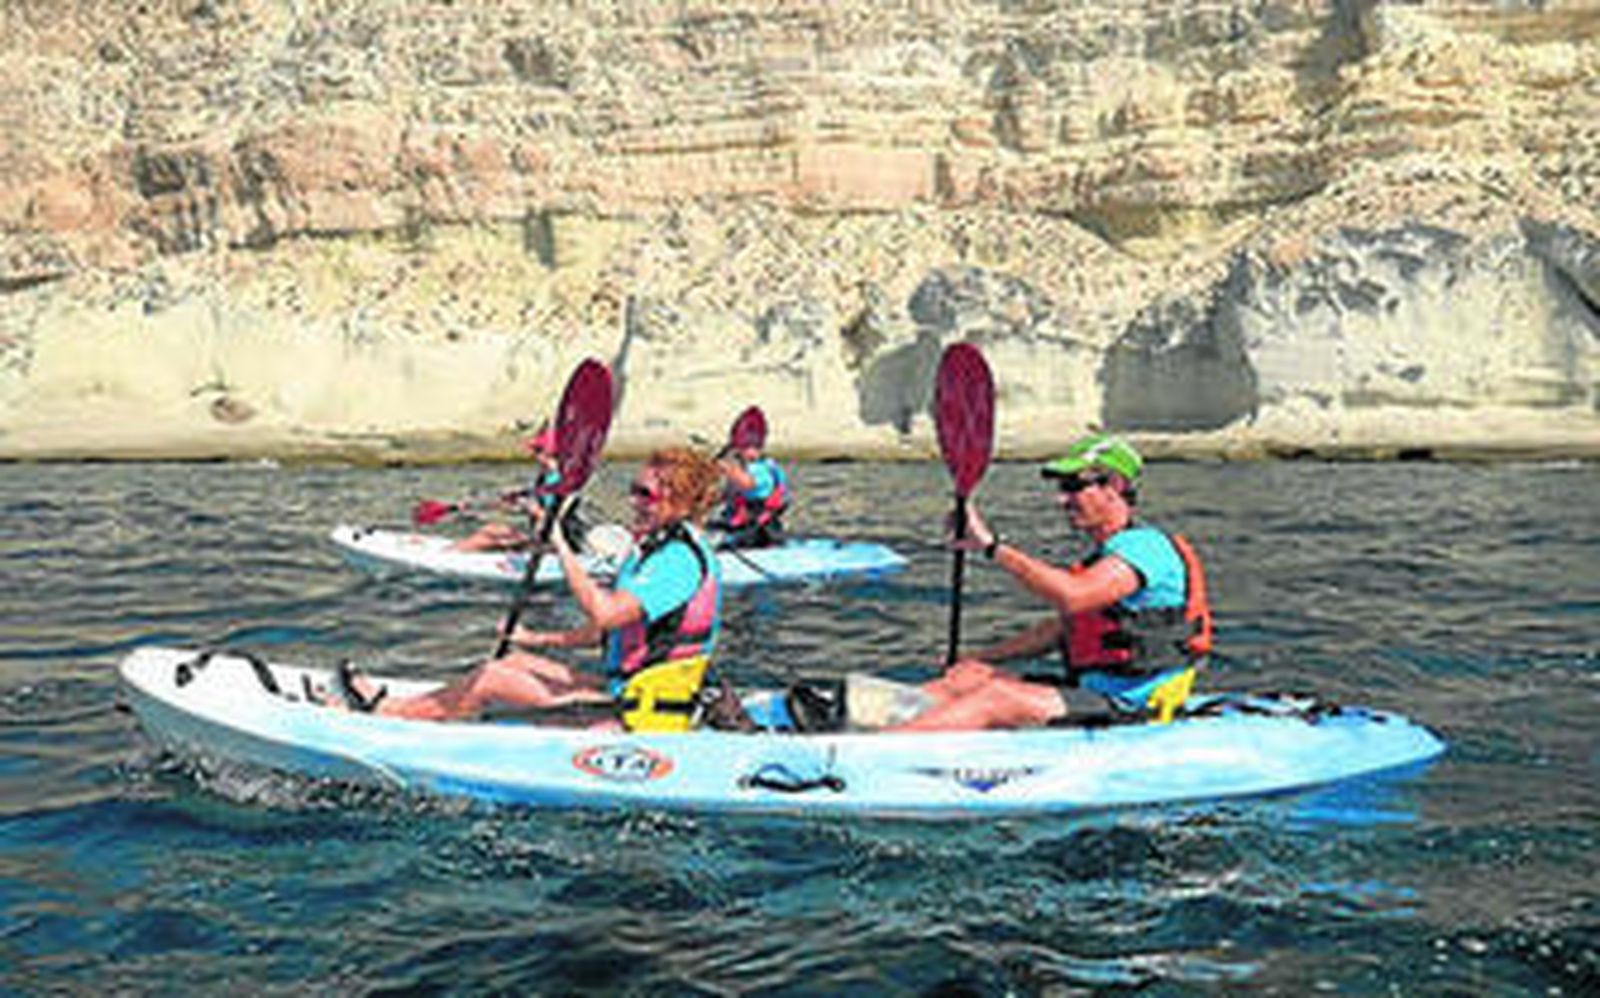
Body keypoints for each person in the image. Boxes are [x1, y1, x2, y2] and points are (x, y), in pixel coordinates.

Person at [336, 447, 725, 732]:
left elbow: (605, 614)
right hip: (631, 687)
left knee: (493, 678)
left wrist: (559, 542)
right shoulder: (654, 548)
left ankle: (388, 714)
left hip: (646, 714)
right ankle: (424, 708)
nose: (632, 500)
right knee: (515, 662)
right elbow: (608, 631)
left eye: (645, 493)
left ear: (680, 499)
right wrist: (536, 638)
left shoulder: (676, 560)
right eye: (633, 488)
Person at [892, 434, 1213, 731]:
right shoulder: (1104, 558)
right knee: (966, 679)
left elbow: (1074, 597)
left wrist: (991, 547)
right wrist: (980, 657)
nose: (1062, 499)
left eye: (1074, 486)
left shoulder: (1146, 547)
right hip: (1090, 692)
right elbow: (1059, 630)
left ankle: (868, 755)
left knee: (997, 697)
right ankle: (865, 723)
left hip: (1133, 706)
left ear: (1114, 486)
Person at [450, 424, 567, 552]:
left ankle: (444, 558)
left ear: (548, 453)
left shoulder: (559, 481)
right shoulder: (546, 477)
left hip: (553, 544)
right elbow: (527, 500)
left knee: (486, 539)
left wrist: (532, 509)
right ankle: (448, 552)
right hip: (540, 536)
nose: (533, 455)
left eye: (537, 450)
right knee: (491, 529)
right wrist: (480, 505)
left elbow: (556, 518)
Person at [713, 435, 791, 549]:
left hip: (763, 529)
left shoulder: (761, 469)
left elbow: (748, 484)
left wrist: (727, 469)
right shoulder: (741, 469)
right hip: (743, 522)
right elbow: (726, 495)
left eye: (751, 447)